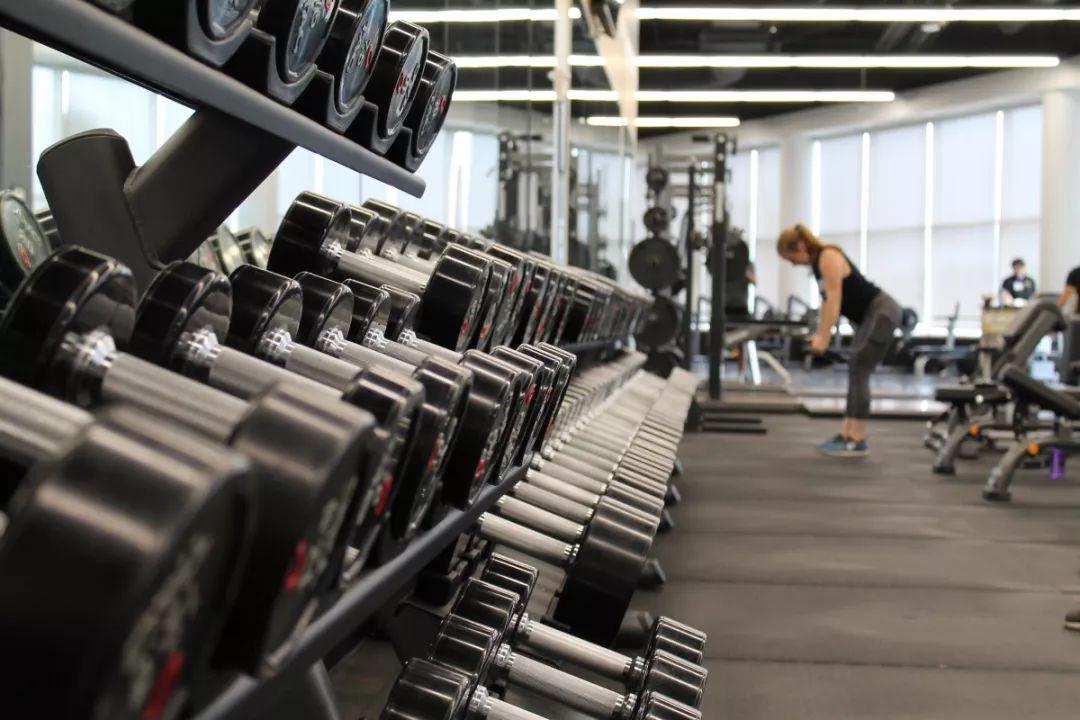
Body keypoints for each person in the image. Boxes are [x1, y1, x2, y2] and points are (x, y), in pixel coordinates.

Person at [777, 225, 903, 457]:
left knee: (860, 368)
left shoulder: (828, 256)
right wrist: (820, 334)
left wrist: (824, 338)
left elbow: (834, 301)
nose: (793, 264)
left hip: (882, 312)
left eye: (791, 257)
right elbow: (827, 303)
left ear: (801, 247)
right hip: (869, 317)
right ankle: (847, 434)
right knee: (856, 368)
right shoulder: (818, 265)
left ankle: (856, 438)